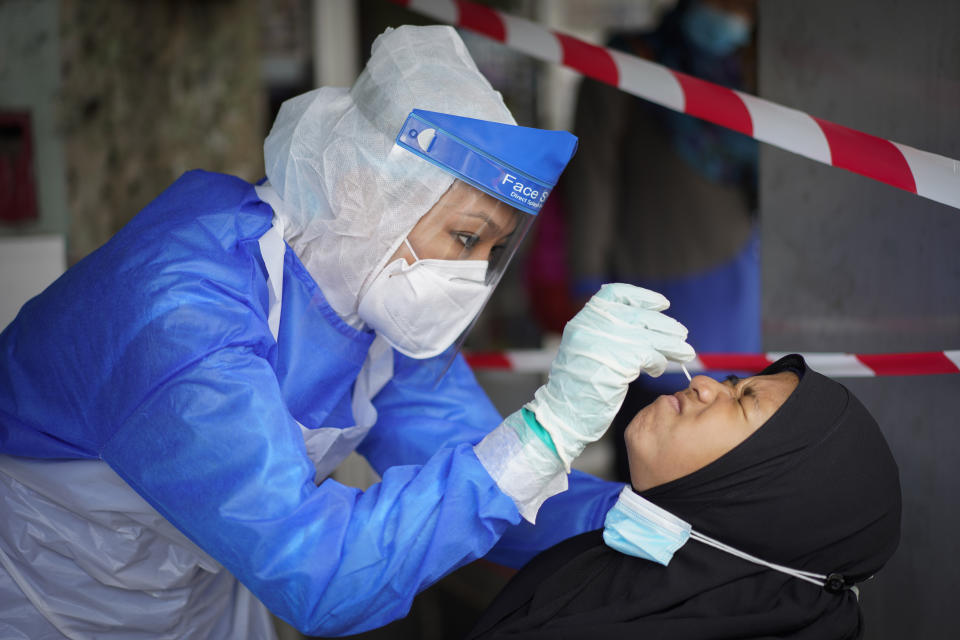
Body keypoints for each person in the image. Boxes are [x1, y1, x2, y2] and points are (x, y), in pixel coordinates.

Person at [0, 26, 695, 639]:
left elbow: (487, 491)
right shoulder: (181, 310)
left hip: (198, 596)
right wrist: (548, 428)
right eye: (463, 237)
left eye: (491, 251)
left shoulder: (374, 308)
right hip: (46, 597)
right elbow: (318, 574)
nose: (470, 274)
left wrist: (640, 515)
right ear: (371, 190)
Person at [467, 354, 902, 639]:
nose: (706, 384)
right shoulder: (617, 552)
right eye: (735, 383)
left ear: (769, 499)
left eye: (741, 402)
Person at [558, 0, 761, 481]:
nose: (737, 16)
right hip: (647, 276)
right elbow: (592, 178)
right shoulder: (627, 63)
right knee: (650, 429)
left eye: (747, 6)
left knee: (725, 422)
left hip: (734, 269)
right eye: (725, 3)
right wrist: (586, 279)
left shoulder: (740, 71)